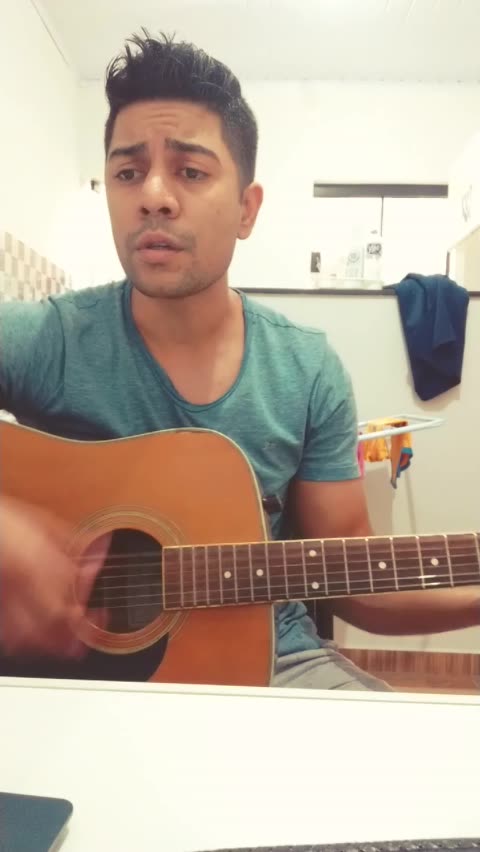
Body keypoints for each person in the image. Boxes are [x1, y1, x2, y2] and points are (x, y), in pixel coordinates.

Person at [1, 32, 478, 689]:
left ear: (247, 210)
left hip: (276, 661)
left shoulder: (306, 369)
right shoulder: (50, 337)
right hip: (60, 679)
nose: (154, 195)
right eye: (128, 172)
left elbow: (359, 583)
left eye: (191, 172)